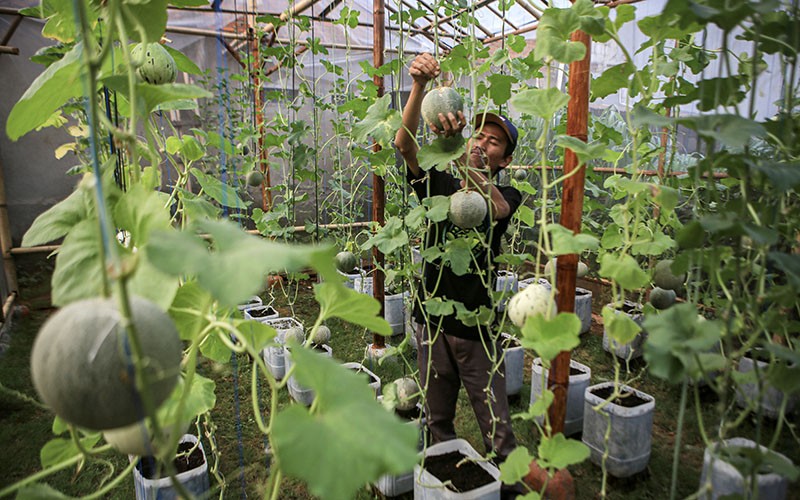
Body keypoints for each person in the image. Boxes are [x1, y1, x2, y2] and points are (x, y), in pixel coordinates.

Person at [394, 53, 522, 464]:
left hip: (475, 323)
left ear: (505, 160)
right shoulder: (440, 180)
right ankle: (443, 476)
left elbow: (496, 209)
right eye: (479, 136)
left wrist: (463, 159)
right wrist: (418, 87)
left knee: (497, 425)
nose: (483, 144)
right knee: (436, 418)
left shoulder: (508, 194)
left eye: (494, 141)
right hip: (430, 316)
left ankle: (512, 482)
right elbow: (405, 145)